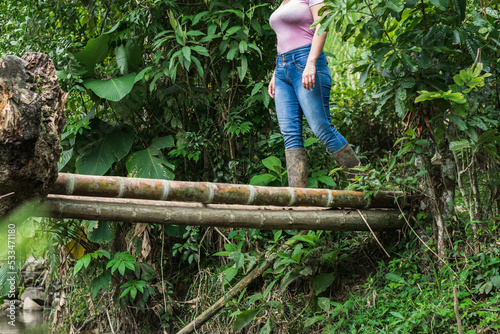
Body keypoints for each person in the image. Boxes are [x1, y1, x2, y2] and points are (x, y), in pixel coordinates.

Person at [268, 0, 360, 188]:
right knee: (290, 134)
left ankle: (366, 184)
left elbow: (322, 25)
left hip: (306, 61)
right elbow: (285, 38)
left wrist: (311, 62)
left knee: (322, 128)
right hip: (282, 69)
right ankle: (298, 197)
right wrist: (275, 74)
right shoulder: (284, 1)